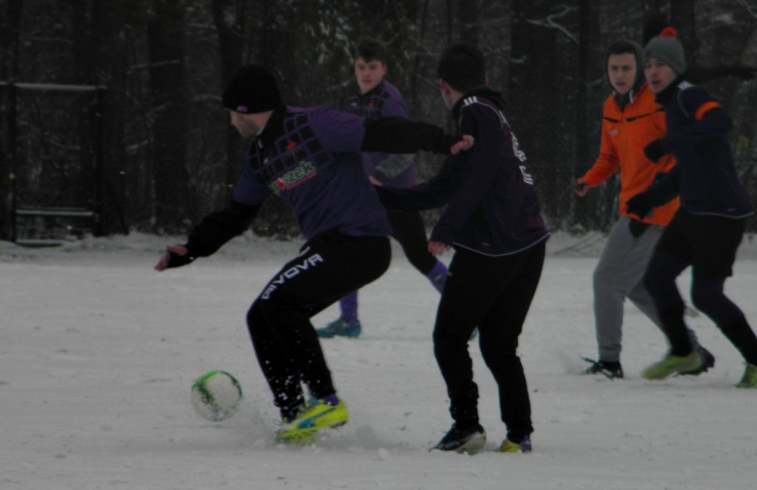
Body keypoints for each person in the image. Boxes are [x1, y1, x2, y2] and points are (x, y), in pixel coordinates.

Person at [154, 64, 473, 444]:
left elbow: (380, 132)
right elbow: (236, 215)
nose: (230, 122)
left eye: (232, 113)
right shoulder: (259, 158)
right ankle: (296, 415)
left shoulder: (313, 124)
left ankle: (325, 399)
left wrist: (441, 140)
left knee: (279, 304)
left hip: (361, 242)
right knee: (261, 315)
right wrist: (192, 249)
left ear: (246, 109)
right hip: (331, 246)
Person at [377, 43, 549, 454]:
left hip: (494, 246)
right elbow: (448, 183)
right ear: (486, 79)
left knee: (449, 336)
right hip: (529, 243)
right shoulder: (492, 117)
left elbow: (482, 177)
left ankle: (466, 426)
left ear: (443, 87)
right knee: (498, 342)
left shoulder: (474, 109)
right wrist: (389, 198)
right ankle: (519, 434)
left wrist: (448, 228)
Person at [626, 28, 757, 388]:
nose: (652, 71)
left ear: (676, 68)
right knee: (656, 279)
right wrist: (651, 197)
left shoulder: (687, 95)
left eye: (660, 64)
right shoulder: (673, 104)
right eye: (647, 64)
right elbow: (689, 167)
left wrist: (666, 143)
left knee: (706, 295)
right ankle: (683, 351)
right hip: (694, 211)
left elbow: (719, 122)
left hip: (722, 213)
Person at [574, 39, 714, 380]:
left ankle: (609, 362)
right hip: (633, 205)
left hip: (655, 209)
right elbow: (611, 156)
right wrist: (590, 179)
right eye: (613, 68)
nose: (619, 75)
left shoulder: (659, 103)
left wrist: (659, 190)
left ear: (639, 70)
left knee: (606, 280)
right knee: (639, 285)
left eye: (626, 68)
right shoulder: (611, 105)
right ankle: (691, 351)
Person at [316, 40, 449, 339]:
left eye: (372, 67)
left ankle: (468, 316)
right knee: (346, 250)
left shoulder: (389, 100)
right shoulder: (353, 100)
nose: (365, 72)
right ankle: (348, 322)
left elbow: (407, 147)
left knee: (419, 255)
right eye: (361, 67)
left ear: (384, 69)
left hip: (396, 195)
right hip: (364, 196)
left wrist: (378, 175)